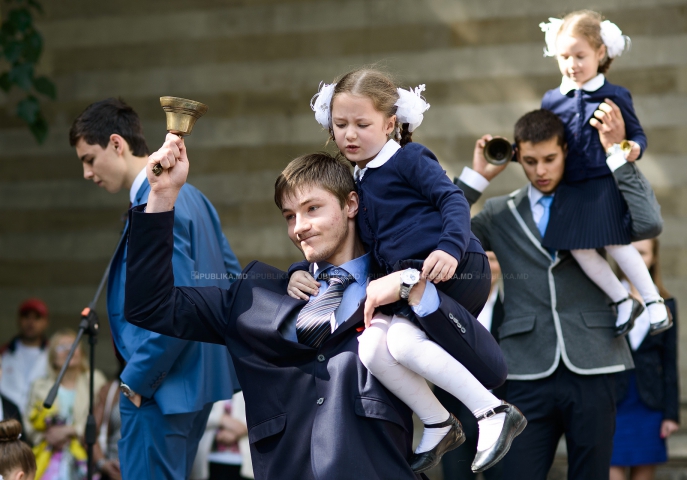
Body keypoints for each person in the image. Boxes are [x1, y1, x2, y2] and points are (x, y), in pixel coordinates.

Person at [122, 138, 507, 480]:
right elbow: (150, 306)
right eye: (290, 216)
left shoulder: (403, 289)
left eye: (312, 209)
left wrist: (414, 286)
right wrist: (161, 197)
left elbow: (490, 367)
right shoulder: (253, 297)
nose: (299, 227)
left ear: (351, 204)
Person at [289, 68, 524, 474]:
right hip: (407, 283)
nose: (350, 134)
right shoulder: (355, 180)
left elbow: (451, 200)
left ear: (390, 124)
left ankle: (492, 412)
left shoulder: (409, 159)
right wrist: (301, 267)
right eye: (341, 124)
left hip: (452, 268)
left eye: (362, 124)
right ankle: (437, 422)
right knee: (373, 347)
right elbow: (337, 238)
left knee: (401, 339)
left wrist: (450, 248)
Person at [454, 107, 662, 480]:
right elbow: (441, 234)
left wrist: (619, 157)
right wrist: (477, 178)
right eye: (530, 161)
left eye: (550, 158)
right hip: (524, 367)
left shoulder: (596, 199)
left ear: (565, 149)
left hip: (595, 359)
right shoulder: (500, 213)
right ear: (517, 155)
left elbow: (648, 223)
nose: (541, 171)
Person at [69, 98, 242, 479]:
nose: (86, 172)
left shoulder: (159, 200)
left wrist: (137, 380)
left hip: (159, 389)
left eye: (88, 158)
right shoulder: (196, 196)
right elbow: (229, 281)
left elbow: (175, 299)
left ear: (117, 143)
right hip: (194, 388)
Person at [538, 10, 670, 335]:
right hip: (570, 186)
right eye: (564, 56)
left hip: (604, 182)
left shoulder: (616, 94)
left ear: (600, 53)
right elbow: (543, 142)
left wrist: (632, 147)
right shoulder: (552, 99)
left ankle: (653, 302)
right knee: (577, 246)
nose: (572, 64)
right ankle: (623, 299)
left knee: (616, 243)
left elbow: (637, 136)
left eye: (580, 55)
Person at [610, 238, 679, 480]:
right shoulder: (606, 298)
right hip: (612, 404)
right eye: (631, 253)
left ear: (654, 258)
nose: (636, 259)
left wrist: (671, 414)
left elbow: (670, 362)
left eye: (643, 253)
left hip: (649, 404)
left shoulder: (666, 303)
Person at [436, 251, 506, 480]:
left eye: (493, 260)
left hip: (498, 412)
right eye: (482, 259)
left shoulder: (512, 311)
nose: (486, 267)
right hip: (455, 413)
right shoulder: (449, 306)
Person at [25, 329, 107, 480]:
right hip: (47, 459)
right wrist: (47, 437)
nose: (69, 350)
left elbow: (102, 420)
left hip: (85, 458)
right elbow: (29, 424)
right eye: (61, 347)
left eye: (73, 345)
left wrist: (71, 430)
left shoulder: (95, 380)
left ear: (81, 352)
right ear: (53, 357)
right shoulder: (39, 386)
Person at [0, 298, 50, 415]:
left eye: (37, 318)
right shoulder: (3, 353)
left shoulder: (53, 355)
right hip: (7, 419)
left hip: (40, 421)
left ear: (46, 322)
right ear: (19, 320)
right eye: (26, 317)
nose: (31, 322)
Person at [191, 392, 253, 480]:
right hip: (208, 460)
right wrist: (221, 419)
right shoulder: (205, 383)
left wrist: (236, 431)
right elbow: (193, 416)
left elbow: (264, 413)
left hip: (246, 461)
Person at [92, 357, 125, 480]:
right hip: (114, 468)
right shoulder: (111, 389)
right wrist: (103, 464)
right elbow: (90, 434)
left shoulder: (159, 387)